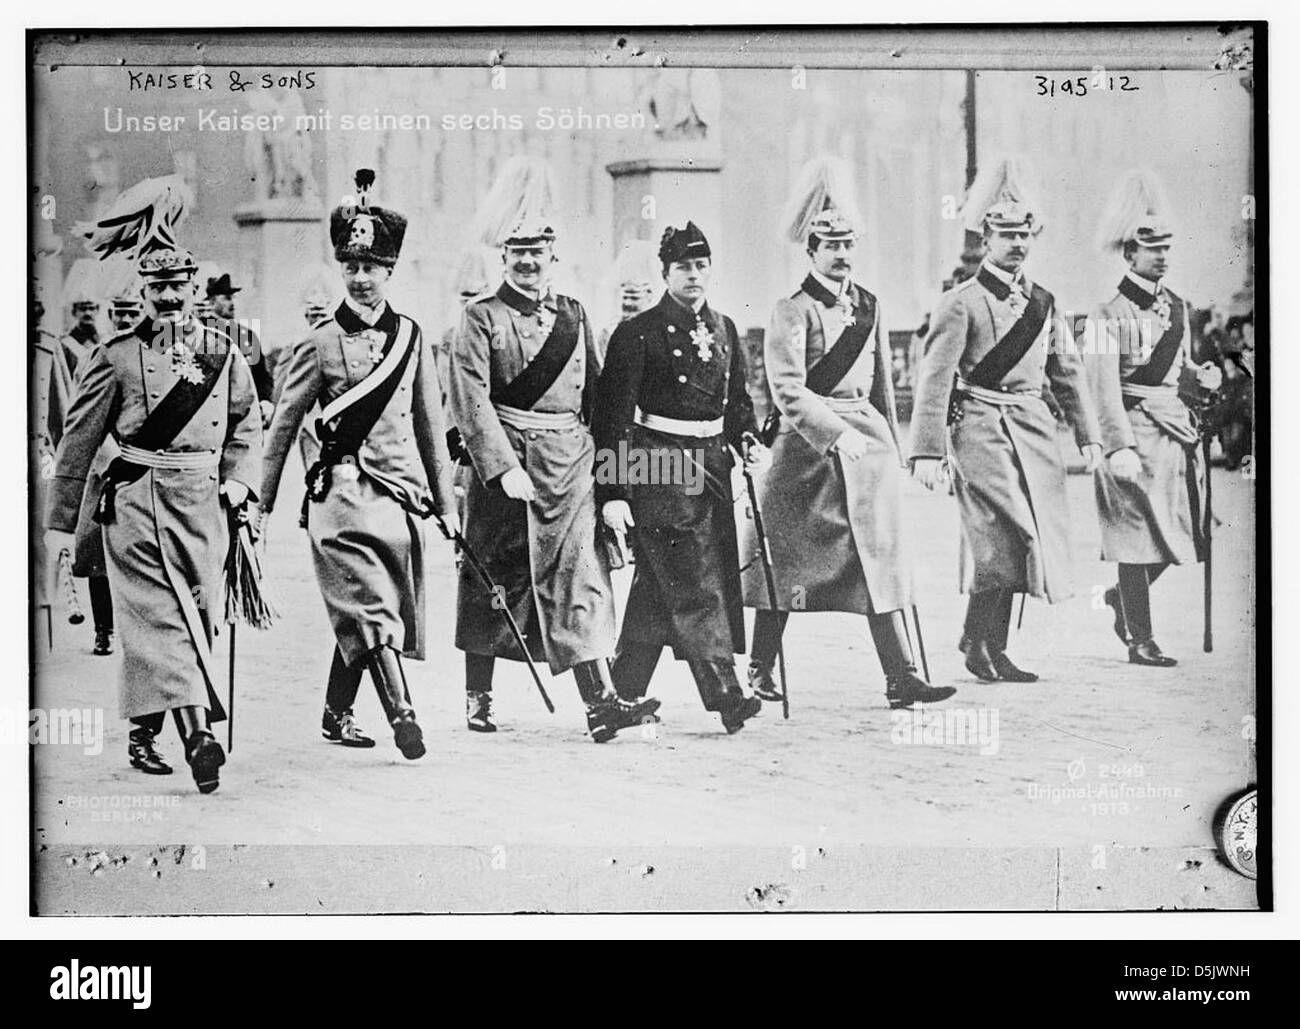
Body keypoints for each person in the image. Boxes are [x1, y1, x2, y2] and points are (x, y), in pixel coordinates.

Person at [47, 174, 262, 791]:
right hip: (136, 508)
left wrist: (241, 483)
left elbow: (245, 430)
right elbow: (78, 443)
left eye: (177, 286)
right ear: (143, 292)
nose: (168, 297)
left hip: (203, 509)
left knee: (191, 618)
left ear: (194, 289)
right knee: (162, 620)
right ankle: (199, 737)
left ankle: (145, 732)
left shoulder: (224, 353)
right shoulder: (113, 356)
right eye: (157, 287)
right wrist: (59, 529)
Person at [448, 156, 658, 740]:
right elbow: (469, 400)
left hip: (570, 468)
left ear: (553, 252)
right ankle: (478, 696)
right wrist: (499, 467)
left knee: (581, 577)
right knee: (494, 579)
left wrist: (613, 478)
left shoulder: (575, 314)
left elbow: (598, 399)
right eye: (517, 248)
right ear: (504, 254)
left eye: (538, 247)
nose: (528, 258)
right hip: (507, 471)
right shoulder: (480, 318)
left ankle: (600, 703)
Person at [742, 158, 956, 711]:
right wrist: (835, 433)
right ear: (810, 250)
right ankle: (761, 667)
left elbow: (881, 381)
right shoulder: (790, 310)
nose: (841, 254)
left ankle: (900, 676)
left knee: (877, 559)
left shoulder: (870, 305)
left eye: (847, 244)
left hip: (869, 449)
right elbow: (787, 390)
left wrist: (899, 446)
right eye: (829, 244)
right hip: (805, 452)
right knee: (786, 566)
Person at [258, 169, 458, 759]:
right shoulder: (318, 343)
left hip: (396, 502)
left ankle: (336, 712)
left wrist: (446, 507)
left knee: (373, 609)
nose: (362, 277)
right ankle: (405, 718)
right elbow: (283, 428)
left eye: (372, 267)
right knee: (370, 607)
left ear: (390, 270)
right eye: (352, 266)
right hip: (339, 501)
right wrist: (259, 504)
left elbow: (429, 428)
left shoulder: (411, 338)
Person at [909, 158, 1103, 683]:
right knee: (1006, 533)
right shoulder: (959, 304)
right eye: (1006, 234)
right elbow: (935, 379)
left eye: (1024, 235)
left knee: (1023, 538)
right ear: (986, 238)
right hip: (978, 426)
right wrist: (926, 450)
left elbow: (1068, 371)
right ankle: (980, 643)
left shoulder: (1044, 303)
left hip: (1034, 429)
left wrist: (1089, 437)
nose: (1016, 244)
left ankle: (985, 643)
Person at [592, 221, 770, 733]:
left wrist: (748, 439)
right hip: (659, 466)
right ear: (665, 273)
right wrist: (614, 493)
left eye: (701, 266)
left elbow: (735, 402)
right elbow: (613, 418)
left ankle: (616, 700)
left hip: (711, 466)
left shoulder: (726, 327)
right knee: (695, 578)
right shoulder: (637, 333)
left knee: (659, 585)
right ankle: (727, 694)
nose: (693, 275)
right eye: (682, 267)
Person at [1084, 169, 1222, 666]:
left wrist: (1198, 376)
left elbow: (1177, 368)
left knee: (1179, 535)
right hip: (1130, 437)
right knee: (1134, 539)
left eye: (1167, 247)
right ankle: (1140, 637)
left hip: (1172, 434)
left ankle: (1123, 601)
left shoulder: (1178, 309)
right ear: (1129, 254)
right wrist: (1115, 445)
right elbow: (1099, 387)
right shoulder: (1105, 314)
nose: (1162, 255)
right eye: (1152, 248)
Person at [207, 272, 275, 427]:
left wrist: (265, 401)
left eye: (234, 297)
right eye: (227, 298)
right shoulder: (203, 333)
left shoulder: (246, 336)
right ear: (211, 301)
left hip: (244, 416)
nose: (233, 303)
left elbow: (261, 375)